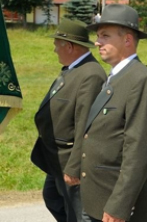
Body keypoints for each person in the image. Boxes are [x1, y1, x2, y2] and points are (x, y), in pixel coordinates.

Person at [81, 4, 147, 222]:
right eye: (98, 36)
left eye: (105, 36)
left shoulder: (140, 80)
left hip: (122, 205)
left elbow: (139, 150)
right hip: (100, 196)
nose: (97, 42)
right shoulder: (116, 77)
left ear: (127, 40)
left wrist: (120, 205)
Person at [30, 18, 107, 222]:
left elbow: (85, 126)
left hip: (71, 161)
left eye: (57, 45)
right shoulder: (73, 68)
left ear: (70, 46)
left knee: (77, 214)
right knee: (53, 198)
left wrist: (74, 166)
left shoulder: (91, 74)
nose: (55, 50)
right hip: (56, 157)